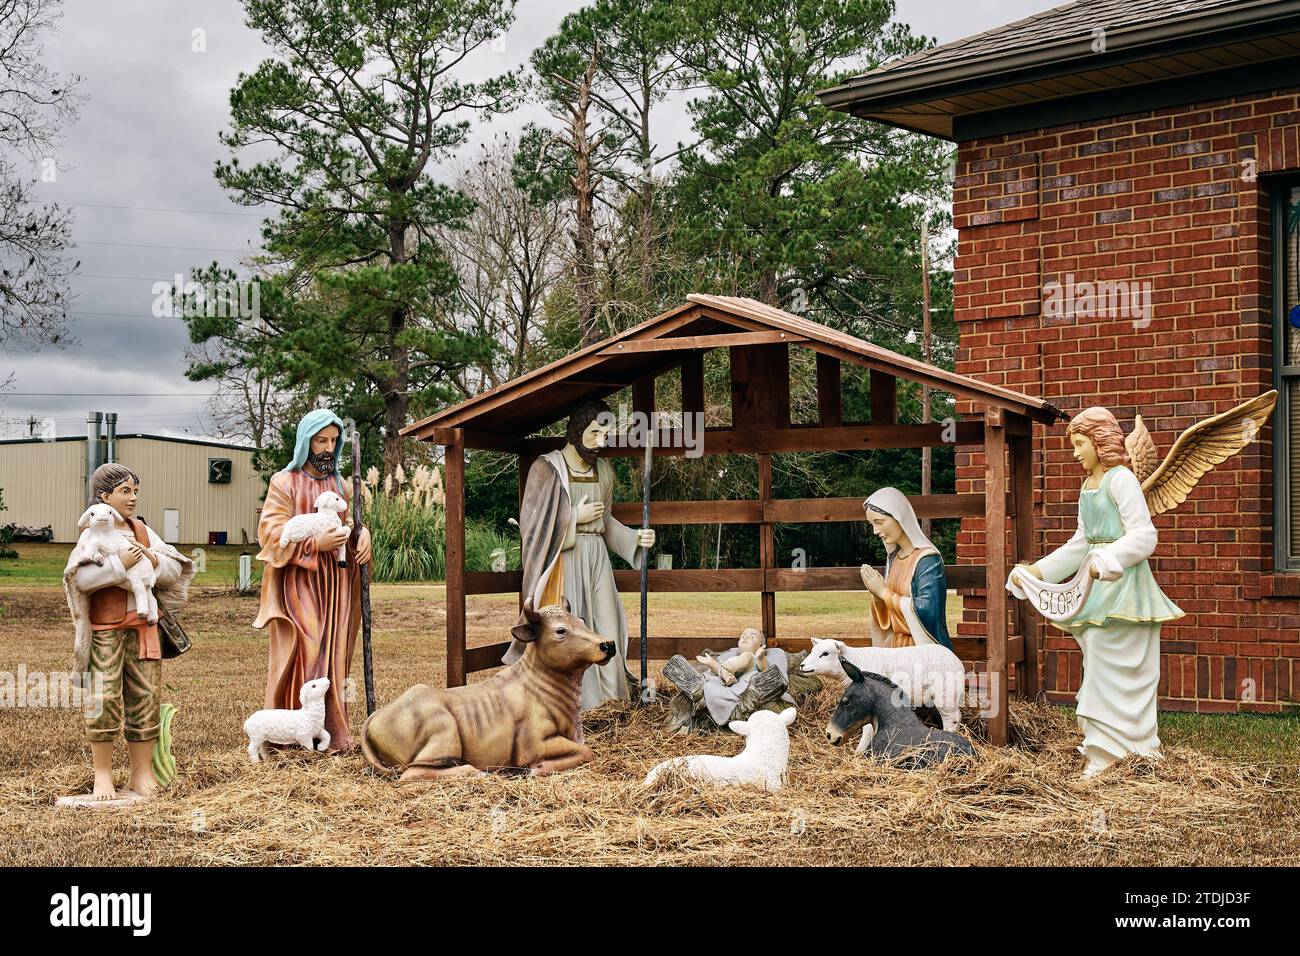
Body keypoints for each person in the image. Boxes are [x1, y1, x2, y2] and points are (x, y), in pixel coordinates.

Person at [1017, 408, 1183, 777]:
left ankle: (1132, 751)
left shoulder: (1120, 479)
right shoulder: (1089, 484)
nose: (1075, 453)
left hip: (1126, 592)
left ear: (1099, 441)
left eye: (1080, 444)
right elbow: (1081, 543)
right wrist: (1038, 571)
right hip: (1097, 592)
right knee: (1097, 669)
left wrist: (1108, 557)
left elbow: (1144, 535)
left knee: (1122, 671)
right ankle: (1102, 749)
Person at [507, 400, 654, 711]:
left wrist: (635, 539)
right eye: (595, 432)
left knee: (607, 627)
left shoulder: (604, 471)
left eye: (607, 433)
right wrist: (575, 516)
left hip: (596, 558)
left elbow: (606, 522)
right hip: (563, 561)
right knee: (571, 633)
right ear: (576, 430)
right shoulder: (546, 468)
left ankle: (613, 704)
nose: (602, 440)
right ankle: (572, 705)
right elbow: (533, 528)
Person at [65, 463, 194, 804]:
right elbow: (80, 580)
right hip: (105, 631)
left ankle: (142, 774)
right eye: (125, 491)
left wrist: (151, 559)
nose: (133, 498)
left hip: (144, 629)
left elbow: (173, 568)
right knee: (102, 699)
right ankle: (103, 775)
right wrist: (119, 563)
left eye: (135, 491)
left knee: (145, 698)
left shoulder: (143, 531)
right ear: (103, 497)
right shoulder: (90, 535)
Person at [254, 409, 371, 752]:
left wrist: (363, 538)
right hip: (300, 582)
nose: (328, 448)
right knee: (308, 648)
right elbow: (271, 534)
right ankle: (288, 734)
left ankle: (333, 731)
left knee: (334, 653)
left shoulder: (340, 485)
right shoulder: (284, 482)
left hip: (336, 584)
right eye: (321, 441)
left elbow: (350, 525)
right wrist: (312, 545)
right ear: (306, 442)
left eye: (334, 442)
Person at [859, 487, 954, 650]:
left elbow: (928, 613)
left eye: (879, 522)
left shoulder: (928, 561)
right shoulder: (894, 559)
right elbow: (888, 618)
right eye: (872, 524)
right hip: (898, 651)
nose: (875, 531)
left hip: (921, 653)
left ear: (899, 517)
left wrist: (883, 592)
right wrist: (877, 598)